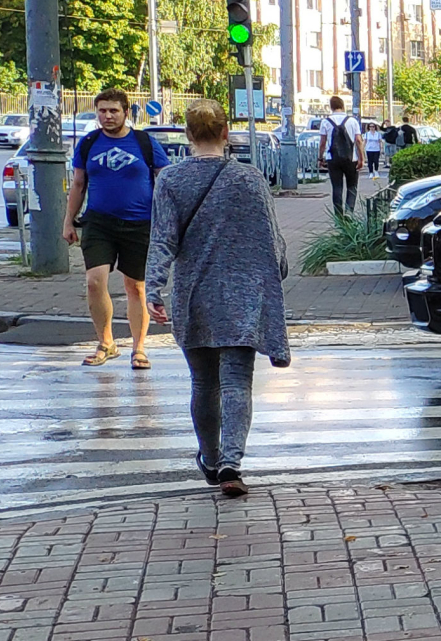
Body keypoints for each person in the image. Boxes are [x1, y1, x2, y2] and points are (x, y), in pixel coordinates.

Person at [147, 99, 290, 498]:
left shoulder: (171, 181)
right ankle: (232, 463)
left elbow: (162, 240)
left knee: (204, 382)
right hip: (244, 296)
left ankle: (210, 459)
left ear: (188, 136)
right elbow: (272, 240)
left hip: (194, 295)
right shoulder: (251, 179)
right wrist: (276, 269)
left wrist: (154, 288)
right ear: (226, 133)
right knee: (236, 383)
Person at [65, 89, 173, 369]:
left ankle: (138, 348)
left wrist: (168, 220)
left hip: (140, 223)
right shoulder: (89, 143)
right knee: (94, 281)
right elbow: (78, 184)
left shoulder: (144, 143)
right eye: (102, 111)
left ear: (126, 112)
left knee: (136, 286)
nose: (107, 116)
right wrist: (69, 221)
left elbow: (165, 181)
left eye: (113, 110)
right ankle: (106, 342)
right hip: (99, 222)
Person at [318, 96, 366, 216]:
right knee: (352, 186)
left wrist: (320, 158)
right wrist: (361, 158)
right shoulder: (352, 121)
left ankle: (339, 217)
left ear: (331, 106)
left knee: (337, 187)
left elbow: (322, 143)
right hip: (351, 158)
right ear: (343, 106)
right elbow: (359, 141)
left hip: (332, 159)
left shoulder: (325, 122)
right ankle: (349, 213)